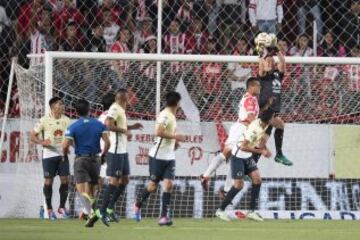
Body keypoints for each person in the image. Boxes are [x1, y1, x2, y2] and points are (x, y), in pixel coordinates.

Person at [134, 91, 186, 226]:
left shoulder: (172, 117)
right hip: (157, 156)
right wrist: (176, 137)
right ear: (178, 102)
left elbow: (169, 133)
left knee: (169, 185)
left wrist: (176, 143)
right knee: (152, 186)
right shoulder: (165, 115)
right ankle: (138, 203)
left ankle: (163, 217)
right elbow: (158, 132)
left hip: (169, 157)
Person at [200, 77, 261, 190]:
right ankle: (213, 180)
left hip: (242, 129)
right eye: (258, 85)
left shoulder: (251, 98)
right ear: (251, 87)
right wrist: (258, 131)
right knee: (227, 154)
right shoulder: (250, 99)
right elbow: (250, 117)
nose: (259, 88)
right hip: (241, 129)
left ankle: (213, 181)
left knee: (232, 157)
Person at [215, 109, 273, 222]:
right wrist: (261, 152)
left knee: (257, 180)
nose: (273, 119)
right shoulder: (255, 129)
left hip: (247, 156)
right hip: (238, 156)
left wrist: (266, 149)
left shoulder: (264, 124)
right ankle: (220, 210)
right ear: (268, 119)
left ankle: (251, 211)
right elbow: (242, 146)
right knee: (238, 185)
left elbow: (260, 139)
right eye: (272, 117)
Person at [97, 89, 143, 226]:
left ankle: (110, 208)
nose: (129, 101)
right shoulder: (115, 109)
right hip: (115, 150)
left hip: (123, 150)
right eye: (127, 98)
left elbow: (119, 125)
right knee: (114, 182)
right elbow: (108, 125)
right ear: (123, 98)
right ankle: (102, 210)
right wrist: (125, 131)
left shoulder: (120, 110)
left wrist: (132, 127)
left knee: (125, 180)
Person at [63, 99, 110, 228]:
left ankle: (91, 211)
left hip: (81, 159)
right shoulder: (99, 124)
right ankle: (90, 215)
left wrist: (65, 153)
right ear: (89, 110)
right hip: (96, 159)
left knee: (81, 189)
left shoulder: (73, 126)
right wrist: (104, 155)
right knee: (92, 189)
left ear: (76, 112)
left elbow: (65, 145)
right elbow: (108, 143)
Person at [30, 97, 70, 220]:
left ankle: (62, 207)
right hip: (48, 155)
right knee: (48, 182)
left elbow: (69, 136)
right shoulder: (44, 120)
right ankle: (49, 209)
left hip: (62, 154)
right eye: (60, 104)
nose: (63, 106)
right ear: (53, 107)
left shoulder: (66, 120)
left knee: (65, 180)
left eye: (63, 104)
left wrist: (70, 144)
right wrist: (42, 142)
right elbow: (32, 135)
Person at [257, 42, 292, 166]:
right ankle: (279, 154)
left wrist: (277, 51)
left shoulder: (278, 74)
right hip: (266, 108)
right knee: (281, 125)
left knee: (261, 142)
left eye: (272, 61)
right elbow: (262, 66)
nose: (270, 62)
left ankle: (248, 167)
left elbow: (283, 62)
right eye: (268, 61)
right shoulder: (263, 75)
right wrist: (262, 52)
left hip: (274, 108)